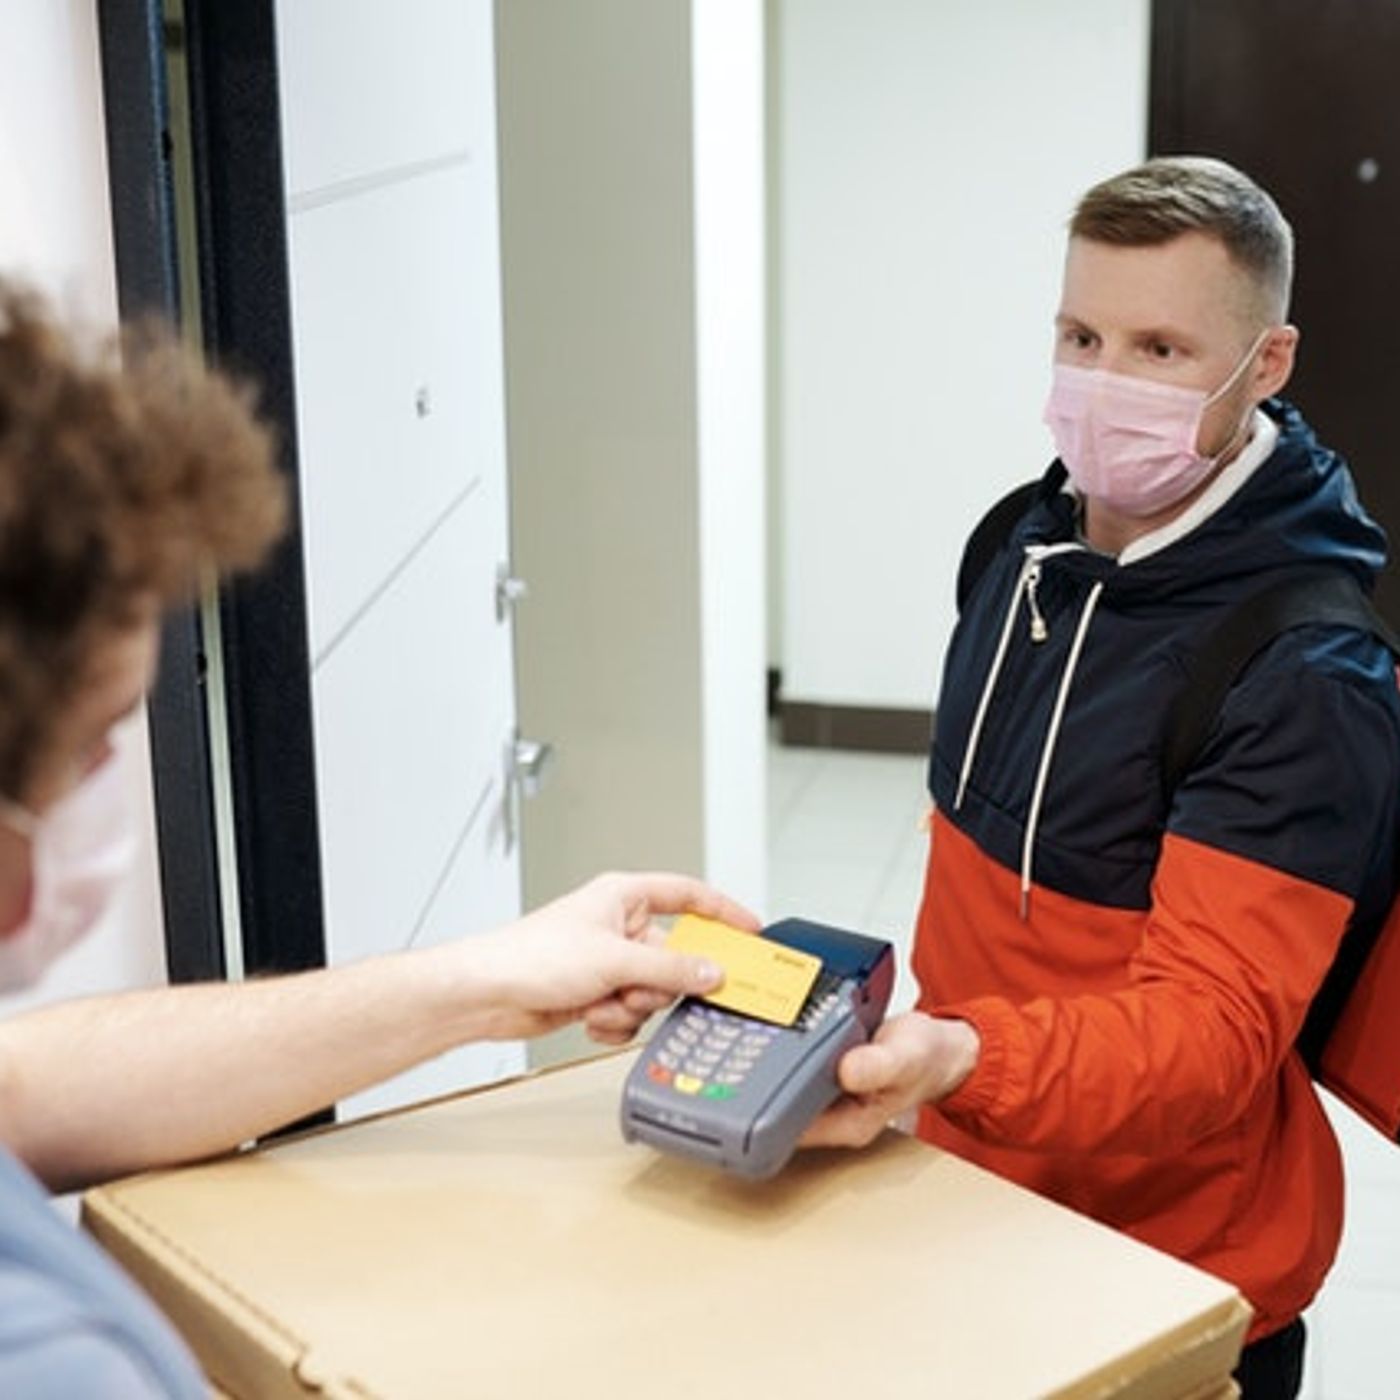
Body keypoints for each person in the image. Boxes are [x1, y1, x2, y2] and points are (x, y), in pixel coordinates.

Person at [0, 285, 757, 1395]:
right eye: (98, 739)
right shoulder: (52, 1357)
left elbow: (32, 1087)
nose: (112, 778)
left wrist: (486, 979)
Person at [802, 157, 1400, 1399]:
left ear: (1266, 364)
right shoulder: (1019, 545)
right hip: (965, 1202)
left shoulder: (1304, 671)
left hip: (1166, 1277)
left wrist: (960, 1055)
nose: (1100, 384)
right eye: (1079, 337)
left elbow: (1207, 1034)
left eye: (1157, 350)